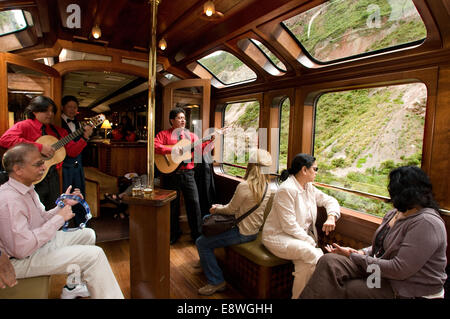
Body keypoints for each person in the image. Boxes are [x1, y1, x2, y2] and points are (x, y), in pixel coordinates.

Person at [300, 166, 447, 299]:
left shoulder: (426, 223)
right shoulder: (396, 214)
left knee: (350, 288)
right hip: (380, 273)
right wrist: (361, 253)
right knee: (329, 262)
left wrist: (354, 257)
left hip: (406, 287)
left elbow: (399, 269)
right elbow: (380, 247)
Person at [0, 143, 124, 299]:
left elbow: (41, 219)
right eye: (38, 164)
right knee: (95, 255)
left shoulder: (27, 188)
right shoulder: (9, 201)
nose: (44, 167)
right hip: (19, 261)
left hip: (33, 248)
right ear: (18, 170)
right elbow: (21, 249)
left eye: (43, 162)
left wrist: (63, 205)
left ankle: (72, 286)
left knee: (87, 234)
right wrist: (59, 218)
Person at [262, 153, 340, 299]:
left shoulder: (308, 187)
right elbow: (289, 225)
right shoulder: (286, 189)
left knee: (305, 265)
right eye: (315, 169)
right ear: (304, 170)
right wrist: (310, 242)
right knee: (313, 254)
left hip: (297, 238)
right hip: (278, 236)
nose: (316, 172)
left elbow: (329, 200)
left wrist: (331, 216)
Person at [196, 148, 273, 295]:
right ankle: (206, 261)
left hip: (241, 231)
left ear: (250, 165)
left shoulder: (245, 186)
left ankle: (216, 281)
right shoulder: (268, 186)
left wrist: (216, 208)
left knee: (201, 243)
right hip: (253, 230)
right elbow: (241, 210)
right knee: (206, 220)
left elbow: (230, 210)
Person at [0, 96, 93, 210]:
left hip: (52, 176)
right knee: (31, 210)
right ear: (34, 111)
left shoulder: (58, 131)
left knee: (52, 209)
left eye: (52, 111)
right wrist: (39, 147)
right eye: (45, 110)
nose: (50, 114)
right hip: (30, 176)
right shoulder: (24, 125)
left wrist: (85, 137)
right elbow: (5, 140)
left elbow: (72, 152)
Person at [154, 107, 214, 244]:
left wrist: (210, 141)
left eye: (184, 118)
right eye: (179, 118)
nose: (183, 120)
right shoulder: (163, 135)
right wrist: (173, 149)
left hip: (188, 174)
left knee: (194, 204)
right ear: (172, 120)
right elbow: (155, 146)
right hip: (171, 174)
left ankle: (197, 235)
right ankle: (173, 234)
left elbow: (200, 151)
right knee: (172, 206)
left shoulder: (192, 136)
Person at [61, 95, 93, 226]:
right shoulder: (58, 125)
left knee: (80, 195)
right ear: (63, 107)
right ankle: (64, 226)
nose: (72, 110)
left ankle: (82, 224)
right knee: (65, 197)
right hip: (65, 166)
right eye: (69, 107)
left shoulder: (80, 124)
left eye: (75, 107)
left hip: (77, 166)